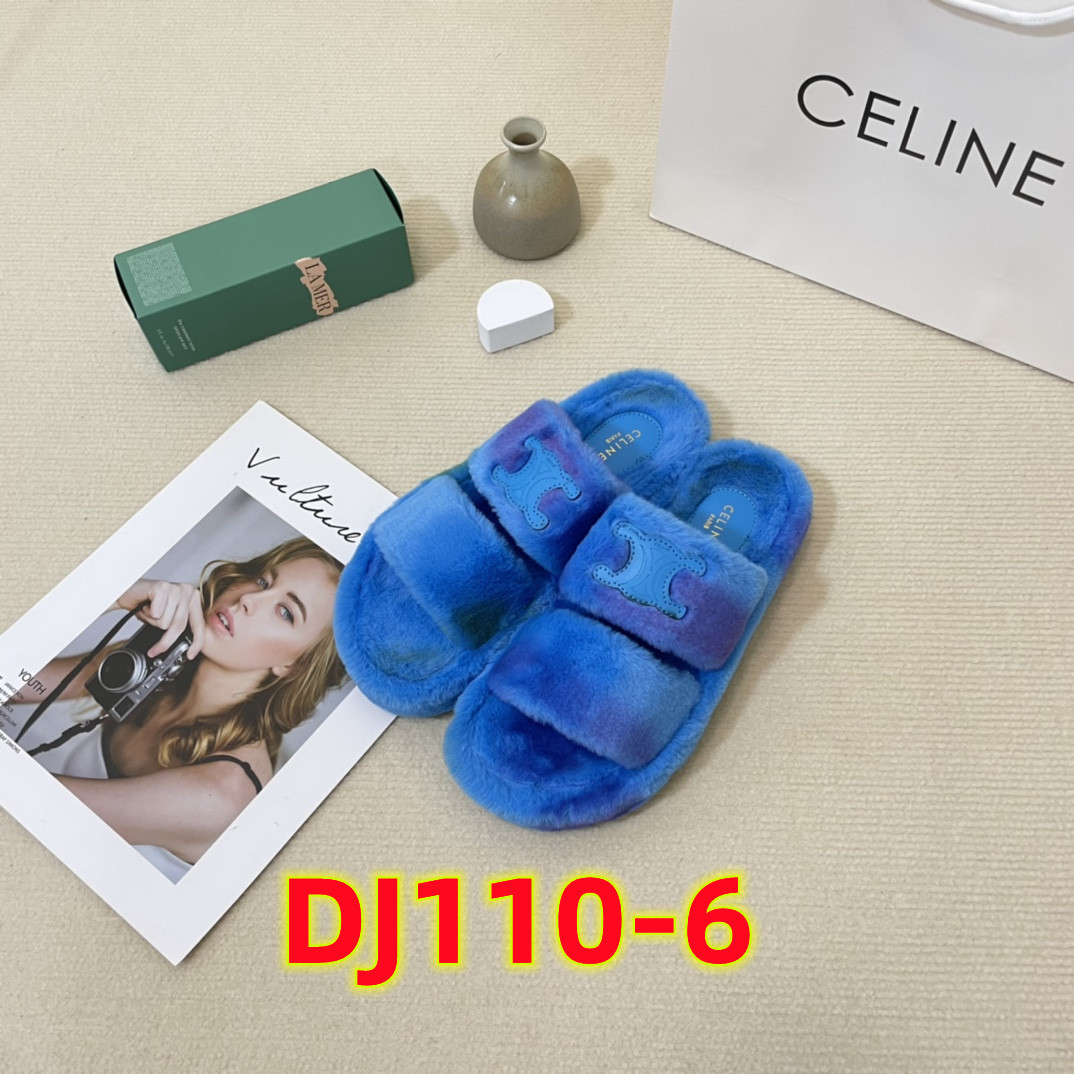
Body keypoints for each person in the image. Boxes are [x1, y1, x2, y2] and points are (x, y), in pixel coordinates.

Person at [11, 536, 345, 873]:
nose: (248, 599)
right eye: (263, 581)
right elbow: (13, 684)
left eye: (285, 612)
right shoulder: (160, 663)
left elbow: (31, 802)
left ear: (294, 665)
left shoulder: (222, 792)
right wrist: (116, 596)